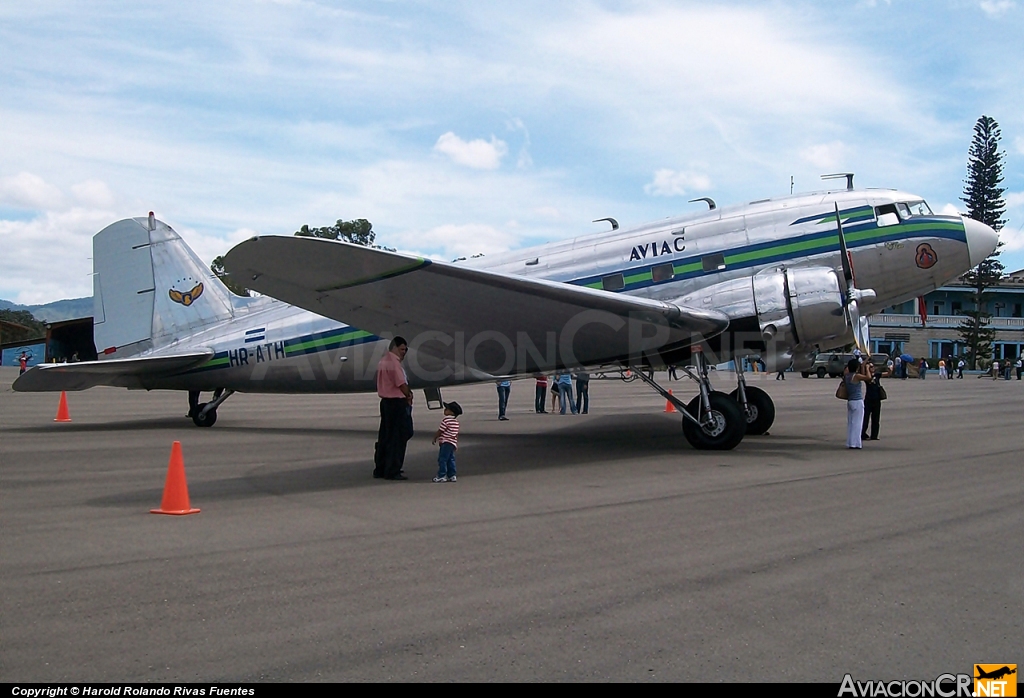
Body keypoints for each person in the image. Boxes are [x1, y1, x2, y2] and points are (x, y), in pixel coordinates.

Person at [374, 337, 414, 481]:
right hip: (397, 403)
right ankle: (393, 469)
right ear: (395, 348)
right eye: (402, 349)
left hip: (385, 402)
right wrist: (409, 395)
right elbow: (401, 383)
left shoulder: (383, 361)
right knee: (400, 436)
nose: (404, 353)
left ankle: (381, 468)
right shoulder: (394, 364)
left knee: (385, 436)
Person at [843, 358, 870, 449]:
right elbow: (868, 377)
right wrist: (867, 368)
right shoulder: (856, 376)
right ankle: (856, 443)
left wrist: (865, 362)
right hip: (857, 401)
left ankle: (850, 442)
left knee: (851, 423)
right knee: (858, 423)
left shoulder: (847, 376)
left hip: (850, 401)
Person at [432, 401, 462, 483]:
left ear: (451, 412)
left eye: (446, 409)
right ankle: (452, 475)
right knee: (451, 459)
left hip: (446, 443)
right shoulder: (456, 422)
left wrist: (435, 437)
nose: (444, 410)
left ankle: (441, 475)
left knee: (442, 459)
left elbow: (441, 431)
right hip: (452, 443)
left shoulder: (446, 420)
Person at [861, 359, 890, 441]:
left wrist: (890, 369)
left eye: (873, 366)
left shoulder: (876, 375)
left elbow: (887, 374)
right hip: (868, 400)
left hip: (877, 399)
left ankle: (874, 435)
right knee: (865, 418)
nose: (872, 368)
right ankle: (862, 433)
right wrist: (866, 366)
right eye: (871, 367)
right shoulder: (866, 377)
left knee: (876, 418)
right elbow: (863, 367)